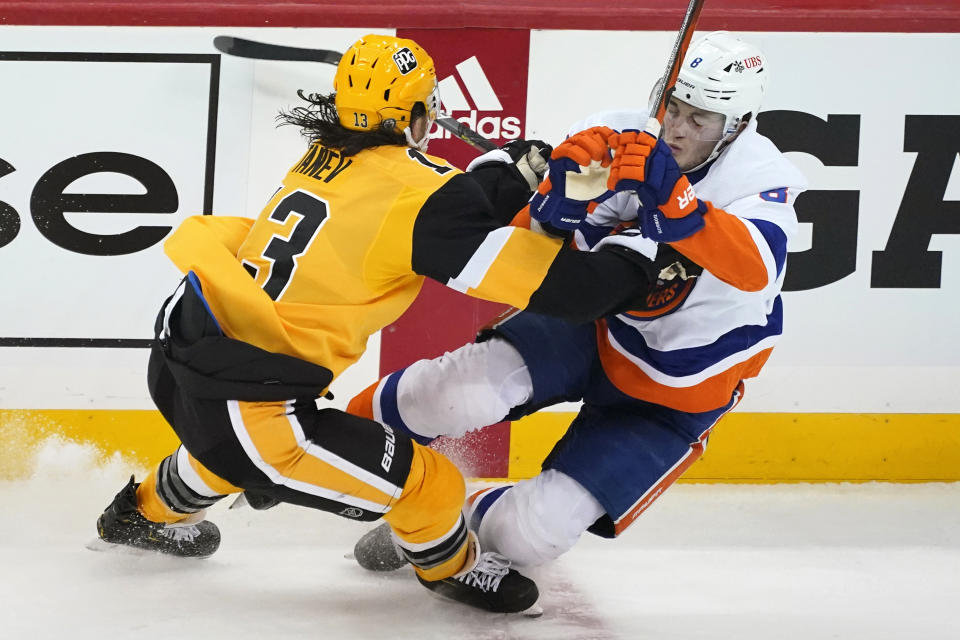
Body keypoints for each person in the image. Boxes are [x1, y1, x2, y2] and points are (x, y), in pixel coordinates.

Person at [93, 34, 685, 615]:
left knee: (223, 451)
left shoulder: (325, 157)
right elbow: (568, 292)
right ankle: (453, 570)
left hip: (187, 362)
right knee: (432, 483)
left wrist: (513, 169)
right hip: (255, 410)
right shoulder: (420, 198)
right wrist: (639, 249)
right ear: (420, 113)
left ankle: (139, 514)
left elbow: (430, 199)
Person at [350, 31, 807, 570]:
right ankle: (329, 437)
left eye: (698, 120)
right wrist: (553, 205)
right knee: (452, 395)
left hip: (677, 386)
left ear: (735, 128)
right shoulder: (623, 133)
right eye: (673, 107)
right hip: (594, 327)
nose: (677, 128)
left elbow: (758, 267)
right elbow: (535, 243)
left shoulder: (760, 178)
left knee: (529, 536)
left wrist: (682, 208)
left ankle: (450, 519)